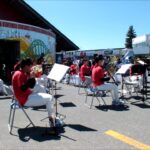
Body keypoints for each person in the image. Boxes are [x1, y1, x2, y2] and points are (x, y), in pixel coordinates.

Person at [12, 58, 56, 129]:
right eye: (30, 67)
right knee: (50, 98)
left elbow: (31, 85)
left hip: (26, 96)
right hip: (24, 99)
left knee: (45, 92)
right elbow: (23, 88)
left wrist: (31, 77)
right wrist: (29, 80)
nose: (31, 68)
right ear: (26, 66)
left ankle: (52, 118)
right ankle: (52, 123)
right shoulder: (19, 74)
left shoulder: (22, 72)